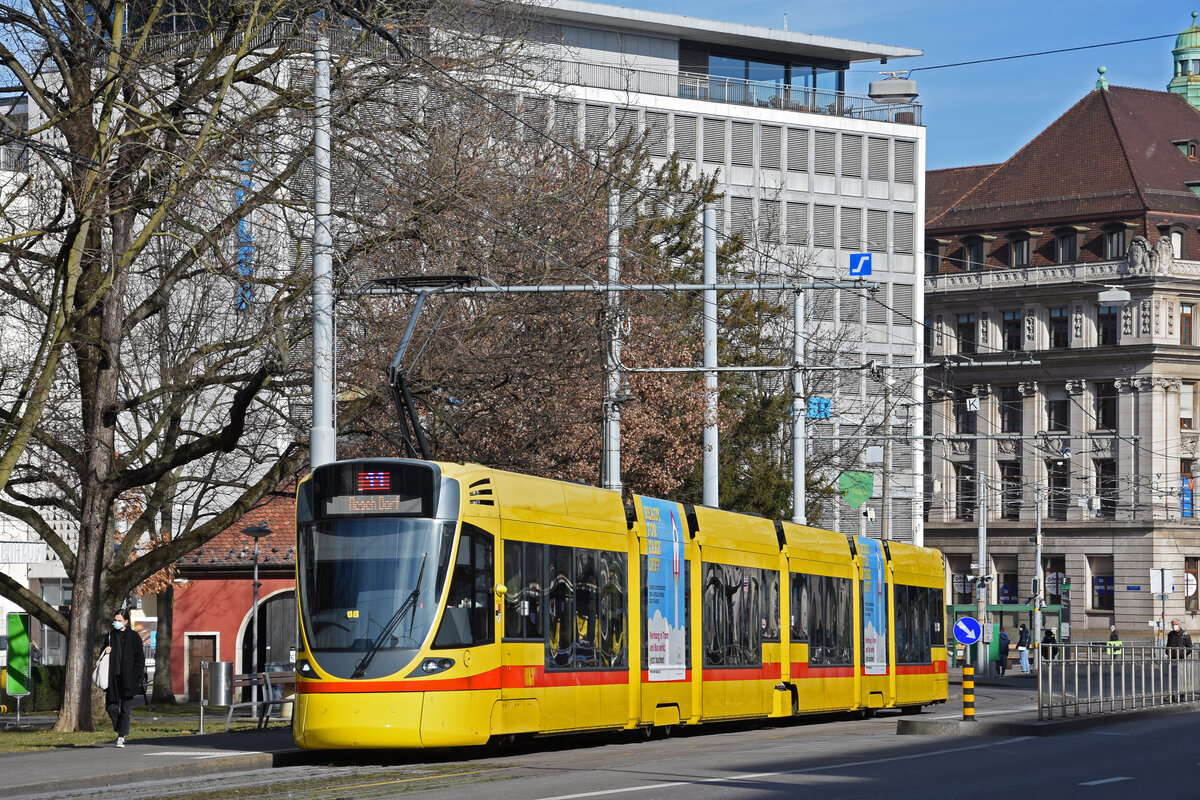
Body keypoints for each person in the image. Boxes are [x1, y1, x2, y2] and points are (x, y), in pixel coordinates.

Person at [104, 609, 145, 747]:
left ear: (126, 621)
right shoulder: (110, 636)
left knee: (126, 708)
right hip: (113, 677)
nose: (116, 623)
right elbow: (102, 656)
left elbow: (140, 658)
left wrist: (136, 675)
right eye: (115, 620)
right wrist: (105, 652)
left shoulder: (134, 637)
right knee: (111, 707)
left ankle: (121, 736)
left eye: (119, 620)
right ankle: (119, 728)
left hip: (129, 678)